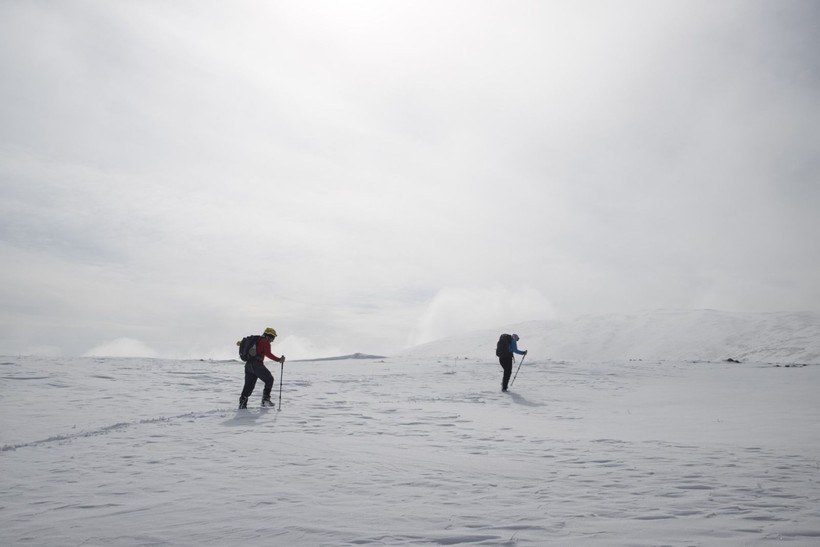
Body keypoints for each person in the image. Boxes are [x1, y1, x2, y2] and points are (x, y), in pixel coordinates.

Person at [239, 327, 285, 409]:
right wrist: (279, 360)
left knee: (248, 385)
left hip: (248, 365)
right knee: (269, 379)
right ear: (268, 336)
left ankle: (242, 404)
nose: (272, 340)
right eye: (272, 337)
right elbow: (268, 354)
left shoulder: (256, 340)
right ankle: (265, 400)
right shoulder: (265, 342)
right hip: (257, 365)